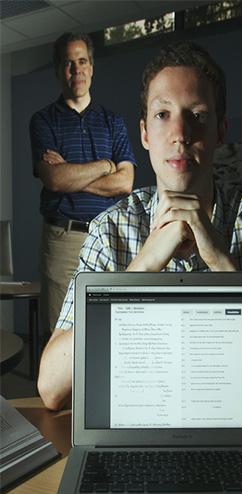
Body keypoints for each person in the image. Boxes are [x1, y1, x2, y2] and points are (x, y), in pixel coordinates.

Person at [37, 41, 242, 412]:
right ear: (144, 134)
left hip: (234, 427)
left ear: (220, 132)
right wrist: (140, 268)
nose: (180, 133)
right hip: (139, 426)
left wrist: (225, 266)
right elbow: (52, 388)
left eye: (198, 115)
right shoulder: (109, 230)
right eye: (163, 115)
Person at [30, 32, 136, 338]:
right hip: (63, 240)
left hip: (107, 237)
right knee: (62, 337)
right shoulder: (43, 121)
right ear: (57, 70)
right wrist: (105, 166)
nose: (76, 69)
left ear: (91, 66)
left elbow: (126, 182)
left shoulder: (112, 122)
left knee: (109, 333)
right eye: (68, 63)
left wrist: (70, 176)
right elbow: (54, 179)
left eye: (82, 61)